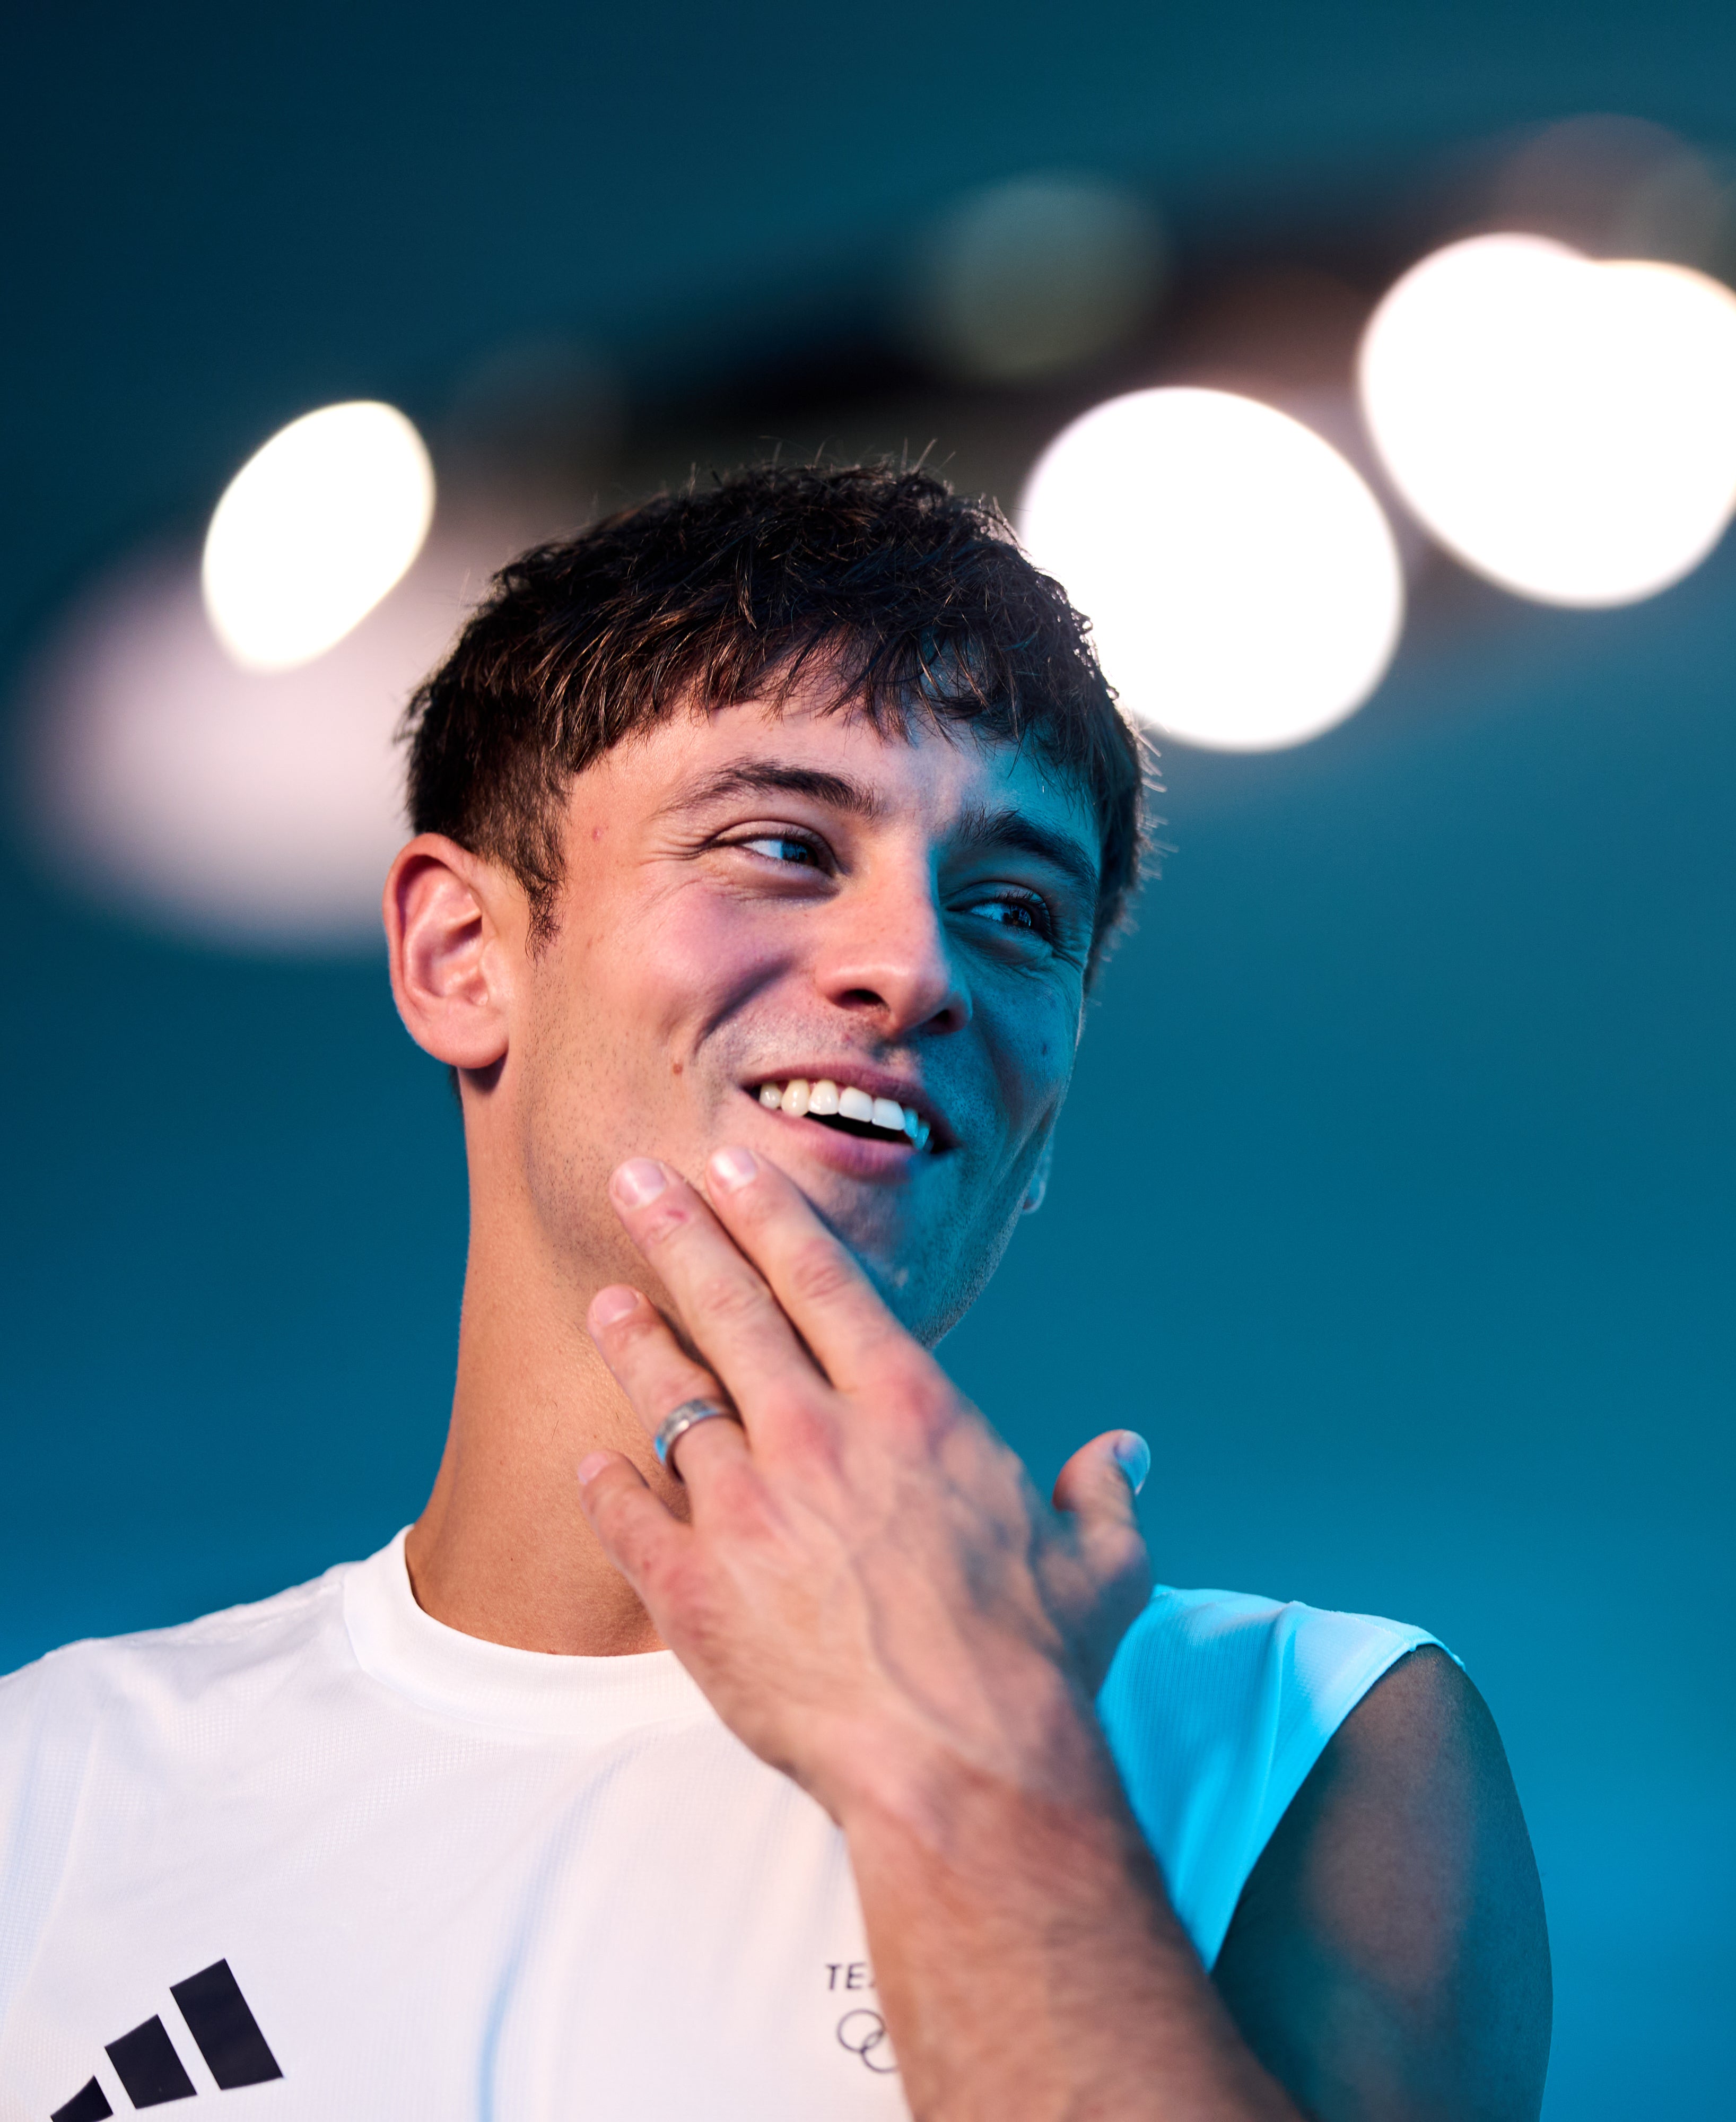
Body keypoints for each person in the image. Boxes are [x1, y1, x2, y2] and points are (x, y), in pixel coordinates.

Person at [0, 465, 1550, 2122]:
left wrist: (974, 1775)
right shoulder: (51, 1787)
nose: (920, 969)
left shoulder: (1307, 1742)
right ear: (463, 954)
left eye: (1015, 912)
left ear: (1042, 1123)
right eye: (781, 844)